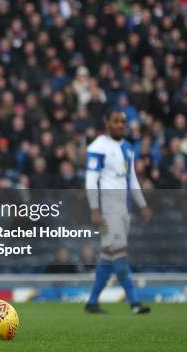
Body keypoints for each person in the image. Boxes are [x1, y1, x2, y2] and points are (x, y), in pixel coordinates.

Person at [84, 109, 152, 314]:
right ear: (107, 123)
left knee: (108, 255)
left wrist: (142, 204)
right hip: (108, 209)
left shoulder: (128, 147)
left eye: (123, 121)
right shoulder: (98, 147)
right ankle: (135, 302)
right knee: (120, 253)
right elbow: (90, 180)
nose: (121, 125)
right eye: (116, 121)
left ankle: (92, 302)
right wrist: (95, 208)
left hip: (124, 209)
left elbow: (131, 179)